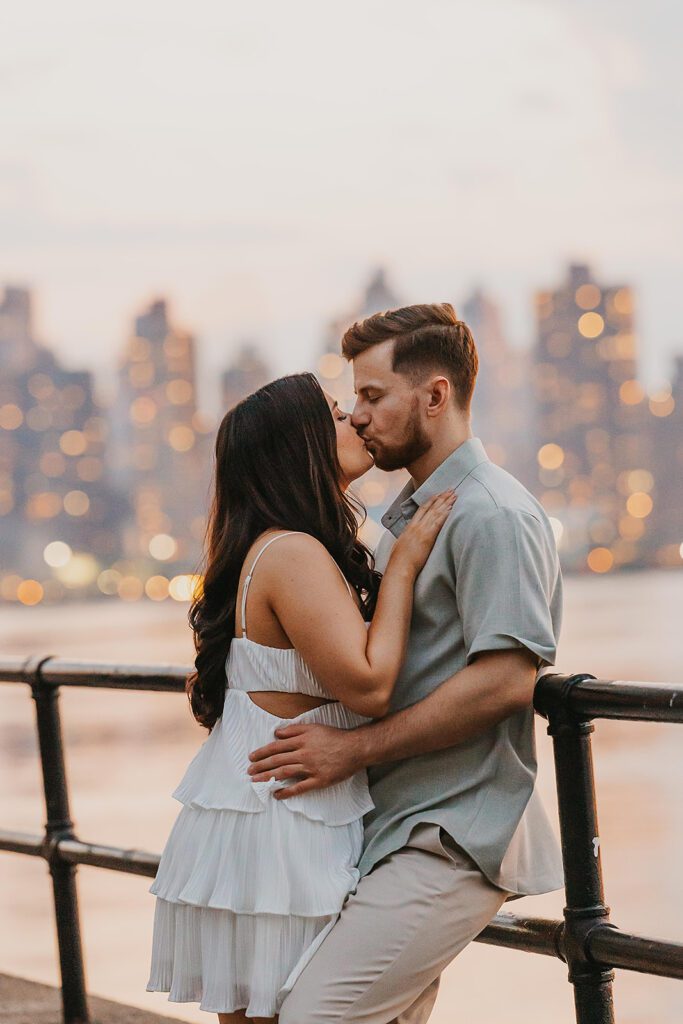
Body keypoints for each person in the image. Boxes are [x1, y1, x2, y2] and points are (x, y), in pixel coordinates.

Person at [247, 303, 566, 1024]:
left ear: (433, 396)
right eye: (352, 398)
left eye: (371, 396)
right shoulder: (414, 515)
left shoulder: (492, 515)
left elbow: (506, 681)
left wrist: (350, 750)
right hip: (397, 825)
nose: (356, 416)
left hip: (452, 832)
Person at [145, 371, 456, 1022]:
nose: (359, 423)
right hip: (281, 830)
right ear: (300, 446)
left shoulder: (280, 548)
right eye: (339, 416)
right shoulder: (291, 553)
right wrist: (401, 565)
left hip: (269, 821)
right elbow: (368, 686)